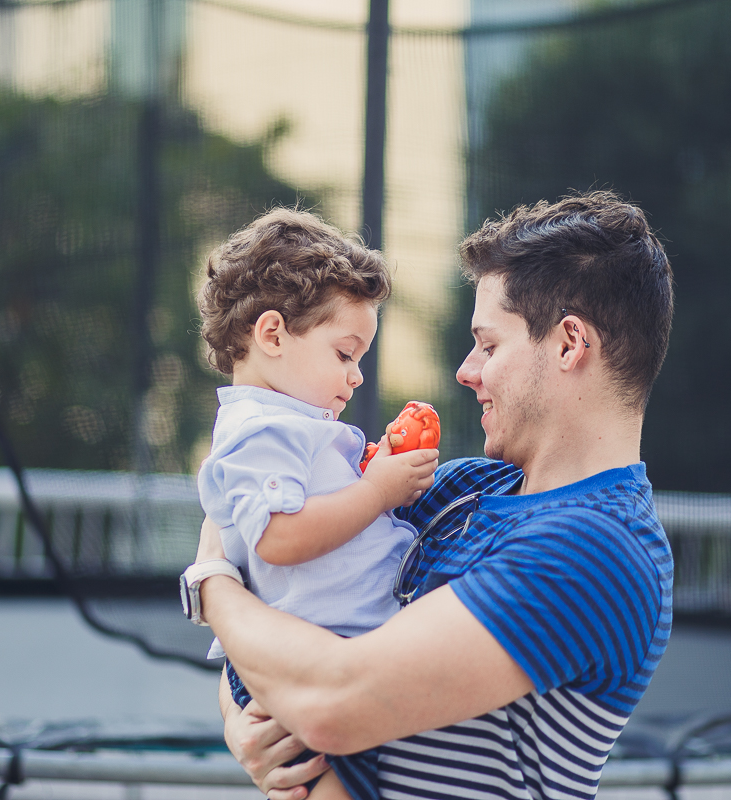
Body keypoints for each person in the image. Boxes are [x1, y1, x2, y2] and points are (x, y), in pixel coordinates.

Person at [184, 189, 676, 800]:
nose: (466, 371)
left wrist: (209, 587)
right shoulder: (463, 489)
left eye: (489, 345)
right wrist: (246, 724)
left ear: (570, 344)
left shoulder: (597, 549)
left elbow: (330, 700)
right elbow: (281, 580)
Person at [191, 207, 439, 800]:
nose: (355, 377)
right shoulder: (262, 431)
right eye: (344, 353)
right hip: (313, 668)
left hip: (334, 656)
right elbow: (281, 536)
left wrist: (367, 471)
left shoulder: (287, 428)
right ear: (272, 335)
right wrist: (376, 490)